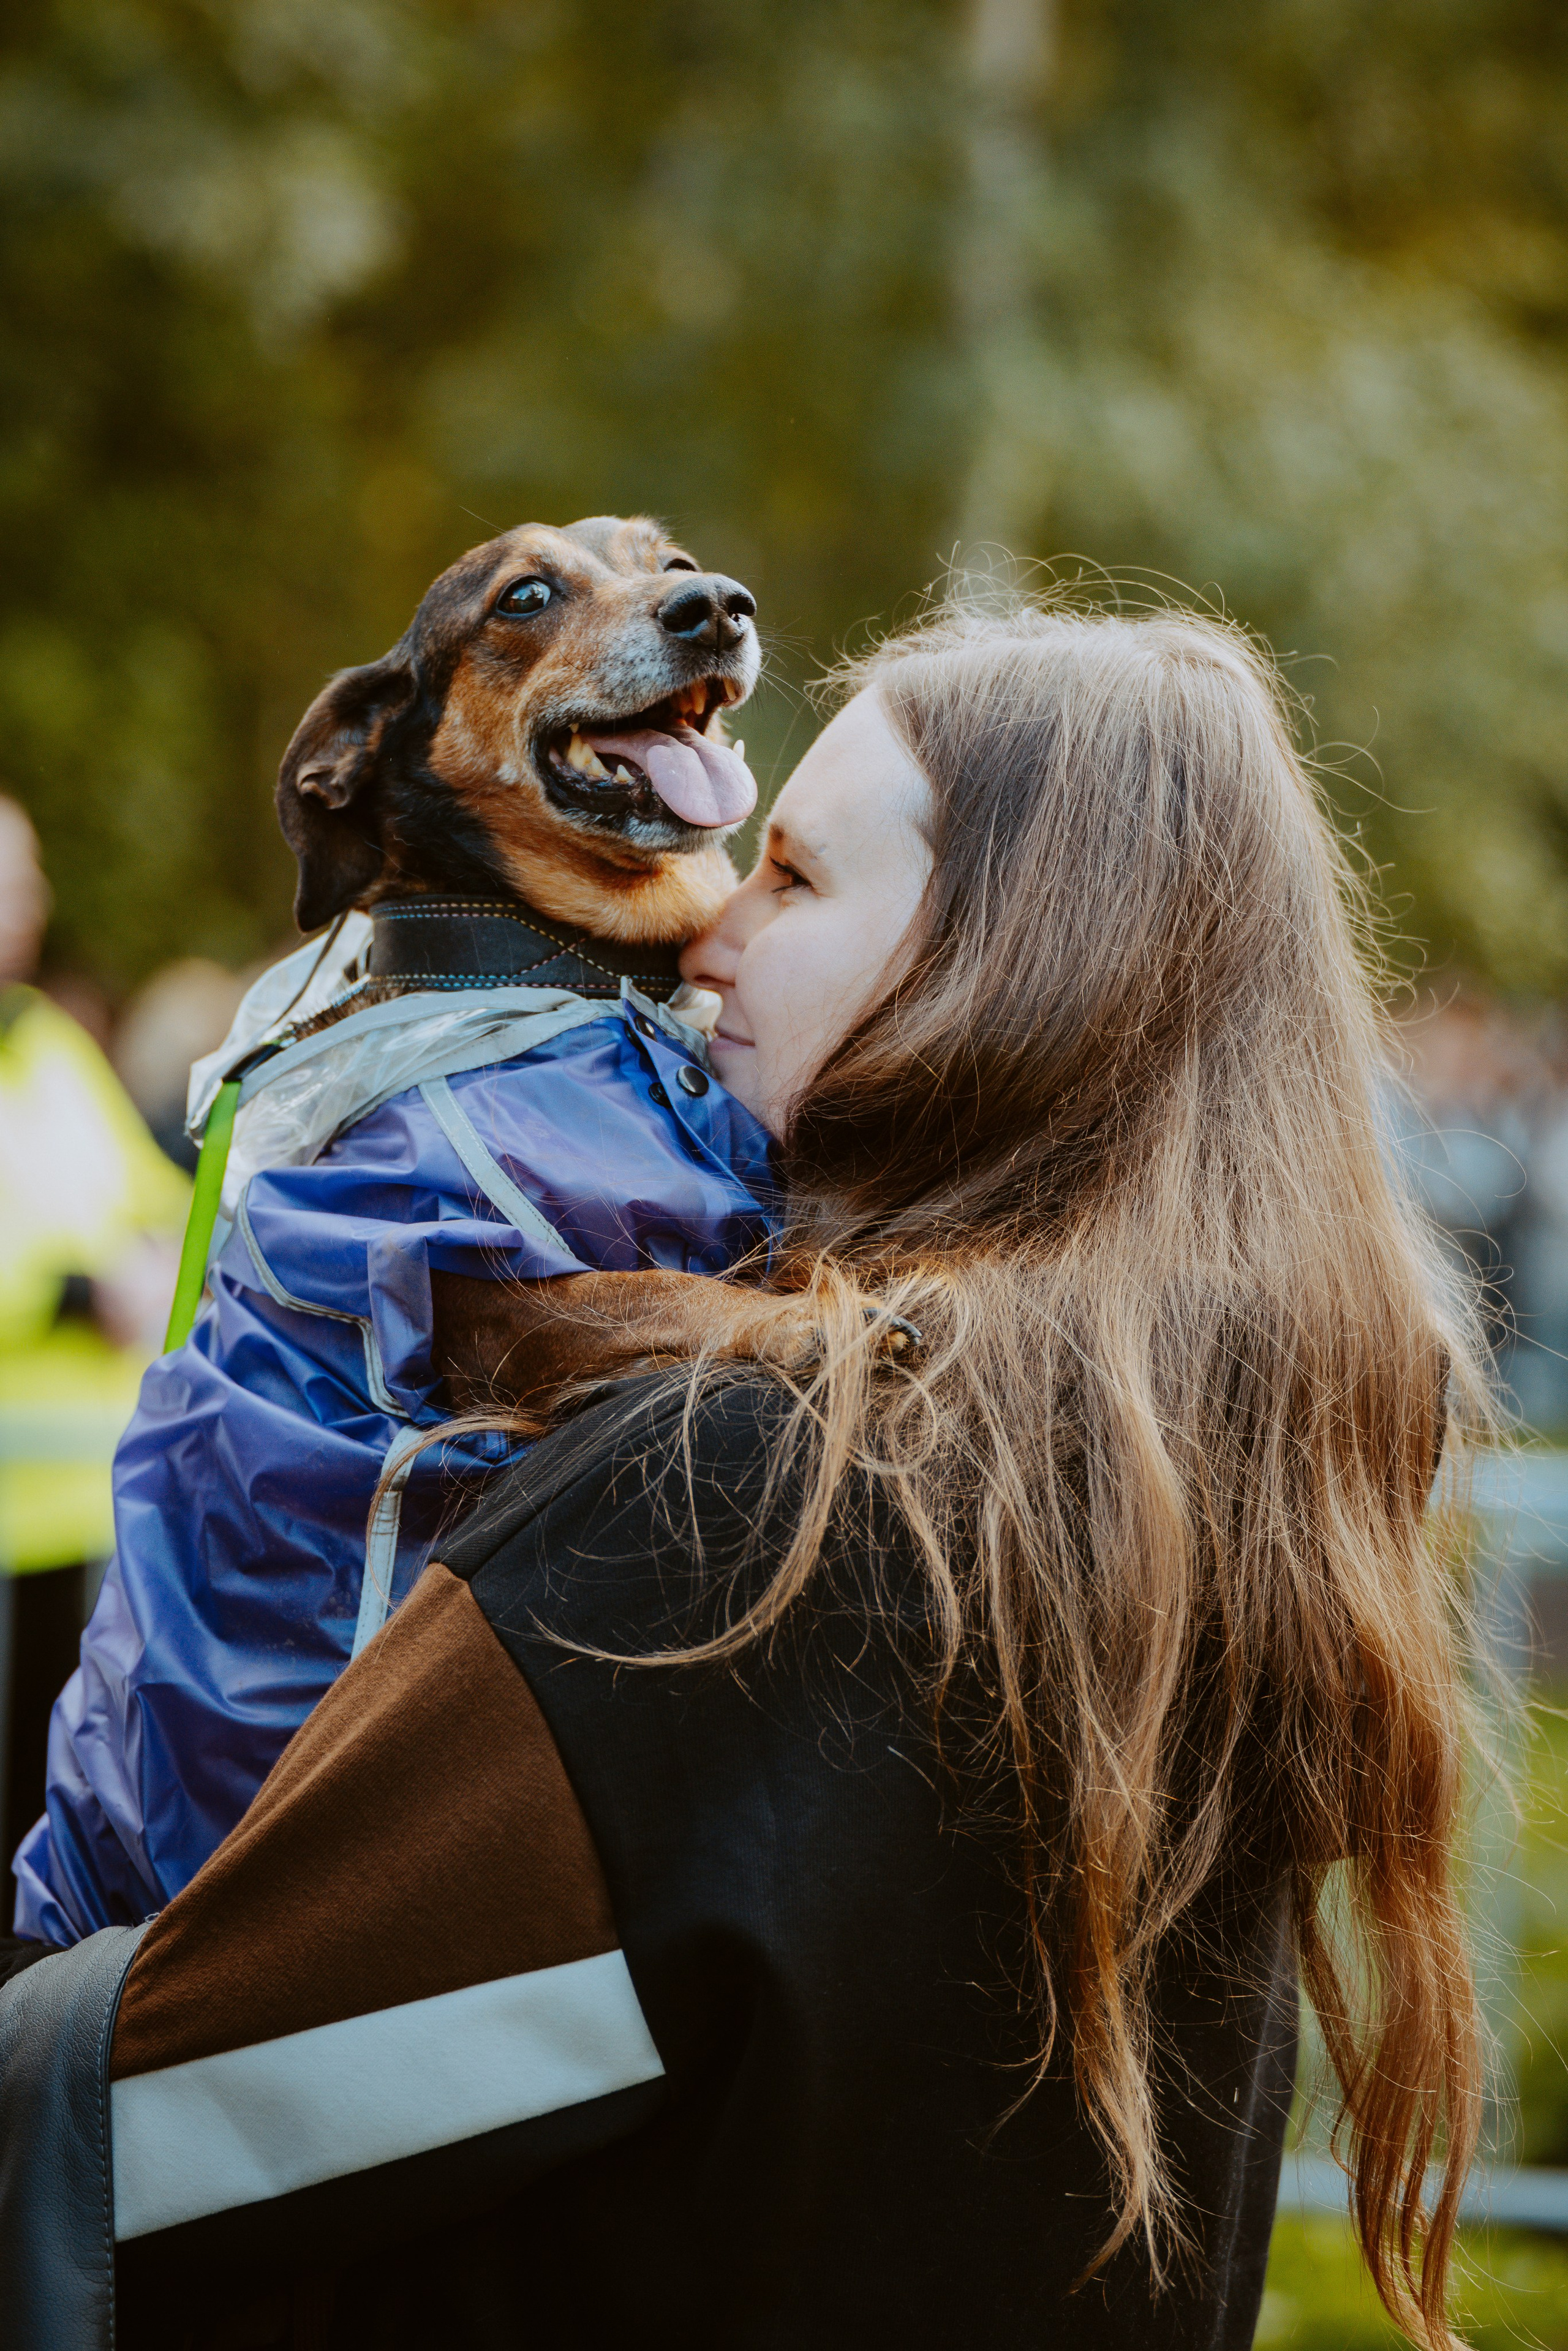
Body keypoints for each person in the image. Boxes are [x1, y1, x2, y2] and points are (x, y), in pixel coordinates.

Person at [0, 603, 1485, 2351]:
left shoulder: (740, 1500)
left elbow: (180, 2117)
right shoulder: (1217, 1510)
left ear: (1017, 957)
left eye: (787, 877)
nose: (704, 927)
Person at [0, 798, 189, 1866]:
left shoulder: (46, 1043)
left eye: (28, 876)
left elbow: (143, 1193)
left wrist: (166, 1251)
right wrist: (76, 1292)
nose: (29, 900)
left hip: (75, 1519)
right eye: (8, 876)